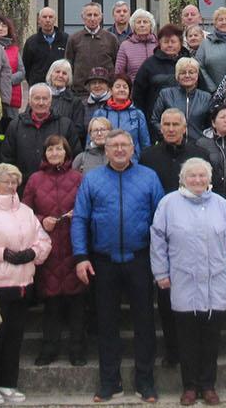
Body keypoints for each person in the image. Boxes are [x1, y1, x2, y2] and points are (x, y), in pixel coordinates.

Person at [72, 130, 166, 403]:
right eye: (114, 146)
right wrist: (81, 256)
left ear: (133, 148)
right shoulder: (92, 179)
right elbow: (80, 218)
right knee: (106, 323)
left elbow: (161, 220)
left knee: (144, 323)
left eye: (125, 145)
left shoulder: (148, 177)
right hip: (104, 261)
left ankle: (145, 381)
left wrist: (161, 259)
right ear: (106, 150)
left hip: (140, 258)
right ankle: (109, 382)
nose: (120, 149)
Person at [150, 157, 226, 406]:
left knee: (211, 338)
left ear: (209, 179)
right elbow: (158, 241)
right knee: (187, 338)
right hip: (184, 281)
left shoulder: (221, 205)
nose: (197, 180)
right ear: (183, 179)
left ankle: (208, 385)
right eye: (192, 176)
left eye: (202, 175)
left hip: (216, 281)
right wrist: (161, 273)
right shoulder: (169, 204)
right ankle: (190, 386)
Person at [0, 163, 52, 405]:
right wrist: (1, 253)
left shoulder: (26, 211)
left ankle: (8, 383)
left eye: (15, 182)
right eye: (7, 182)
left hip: (22, 283)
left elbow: (43, 241)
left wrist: (32, 253)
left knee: (15, 339)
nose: (12, 186)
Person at [139, 108, 209, 368]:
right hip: (161, 234)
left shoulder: (199, 154)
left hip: (194, 235)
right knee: (166, 296)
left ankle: (197, 349)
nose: (170, 129)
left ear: (184, 127)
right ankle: (173, 350)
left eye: (175, 124)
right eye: (166, 124)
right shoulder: (148, 156)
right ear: (160, 128)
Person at [21, 135, 87, 366]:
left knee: (77, 303)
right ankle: (49, 348)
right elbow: (25, 212)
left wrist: (77, 214)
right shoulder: (35, 179)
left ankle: (77, 349)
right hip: (47, 248)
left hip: (73, 245)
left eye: (58, 149)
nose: (54, 153)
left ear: (66, 152)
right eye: (50, 150)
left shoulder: (78, 178)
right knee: (51, 304)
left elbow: (88, 207)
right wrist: (42, 220)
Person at [2, 83, 78, 179]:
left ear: (50, 101)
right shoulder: (15, 125)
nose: (41, 103)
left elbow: (74, 157)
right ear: (29, 101)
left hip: (58, 183)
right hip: (23, 184)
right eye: (37, 98)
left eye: (45, 99)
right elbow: (7, 158)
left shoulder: (65, 125)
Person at [132, 23, 183, 134]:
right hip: (155, 121)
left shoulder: (188, 62)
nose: (170, 45)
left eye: (173, 42)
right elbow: (138, 95)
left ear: (180, 43)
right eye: (166, 42)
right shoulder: (149, 65)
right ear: (159, 43)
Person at [151, 58, 212, 140]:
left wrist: (204, 140)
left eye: (191, 72)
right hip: (171, 143)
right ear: (177, 76)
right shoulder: (166, 94)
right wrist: (168, 134)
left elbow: (211, 124)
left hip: (198, 144)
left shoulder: (206, 97)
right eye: (183, 73)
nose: (187, 75)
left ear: (197, 75)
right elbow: (155, 120)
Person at [97, 73, 150, 151]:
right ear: (110, 90)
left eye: (125, 87)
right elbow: (91, 141)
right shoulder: (100, 113)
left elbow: (145, 143)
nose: (122, 90)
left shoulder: (138, 114)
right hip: (106, 157)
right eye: (118, 87)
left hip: (132, 157)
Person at [68, 3, 119, 84]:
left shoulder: (111, 38)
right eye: (89, 15)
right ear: (82, 17)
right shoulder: (74, 39)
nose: (92, 18)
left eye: (95, 15)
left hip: (105, 87)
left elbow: (117, 65)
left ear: (101, 17)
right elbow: (69, 65)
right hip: (80, 89)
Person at [195, 7, 226, 90]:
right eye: (220, 20)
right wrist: (212, 89)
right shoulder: (205, 44)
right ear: (215, 24)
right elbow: (199, 66)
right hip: (211, 93)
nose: (224, 22)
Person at [22, 7, 68, 91]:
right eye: (44, 17)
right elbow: (26, 67)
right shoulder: (31, 42)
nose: (47, 20)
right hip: (38, 87)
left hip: (60, 87)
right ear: (39, 20)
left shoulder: (65, 39)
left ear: (55, 20)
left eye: (50, 17)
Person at [0, 13, 26, 116]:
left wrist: (5, 80)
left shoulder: (14, 49)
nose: (0, 28)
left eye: (4, 26)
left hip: (11, 98)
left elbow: (21, 72)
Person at [114, 8, 157, 82]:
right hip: (134, 88)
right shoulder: (125, 46)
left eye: (145, 22)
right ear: (133, 26)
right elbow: (119, 73)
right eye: (138, 22)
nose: (142, 25)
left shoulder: (158, 44)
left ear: (151, 25)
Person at [47, 60, 86, 131]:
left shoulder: (75, 102)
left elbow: (78, 129)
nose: (60, 75)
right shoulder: (39, 96)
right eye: (57, 72)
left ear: (68, 78)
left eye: (64, 73)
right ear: (51, 74)